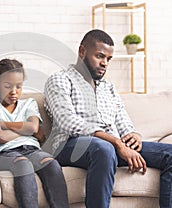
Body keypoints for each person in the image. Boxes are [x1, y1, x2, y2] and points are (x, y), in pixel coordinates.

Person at [44, 29, 172, 208]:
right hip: (70, 146)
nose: (104, 63)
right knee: (104, 149)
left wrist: (132, 135)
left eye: (108, 59)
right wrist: (117, 143)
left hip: (110, 148)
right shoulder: (59, 80)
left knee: (170, 153)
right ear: (82, 51)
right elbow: (68, 122)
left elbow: (122, 119)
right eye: (100, 56)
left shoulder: (108, 88)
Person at [0, 58, 69, 208]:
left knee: (51, 164)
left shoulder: (29, 103)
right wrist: (26, 131)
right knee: (23, 164)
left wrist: (4, 125)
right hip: (4, 153)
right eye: (7, 86)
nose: (14, 92)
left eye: (18, 86)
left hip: (32, 150)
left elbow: (33, 127)